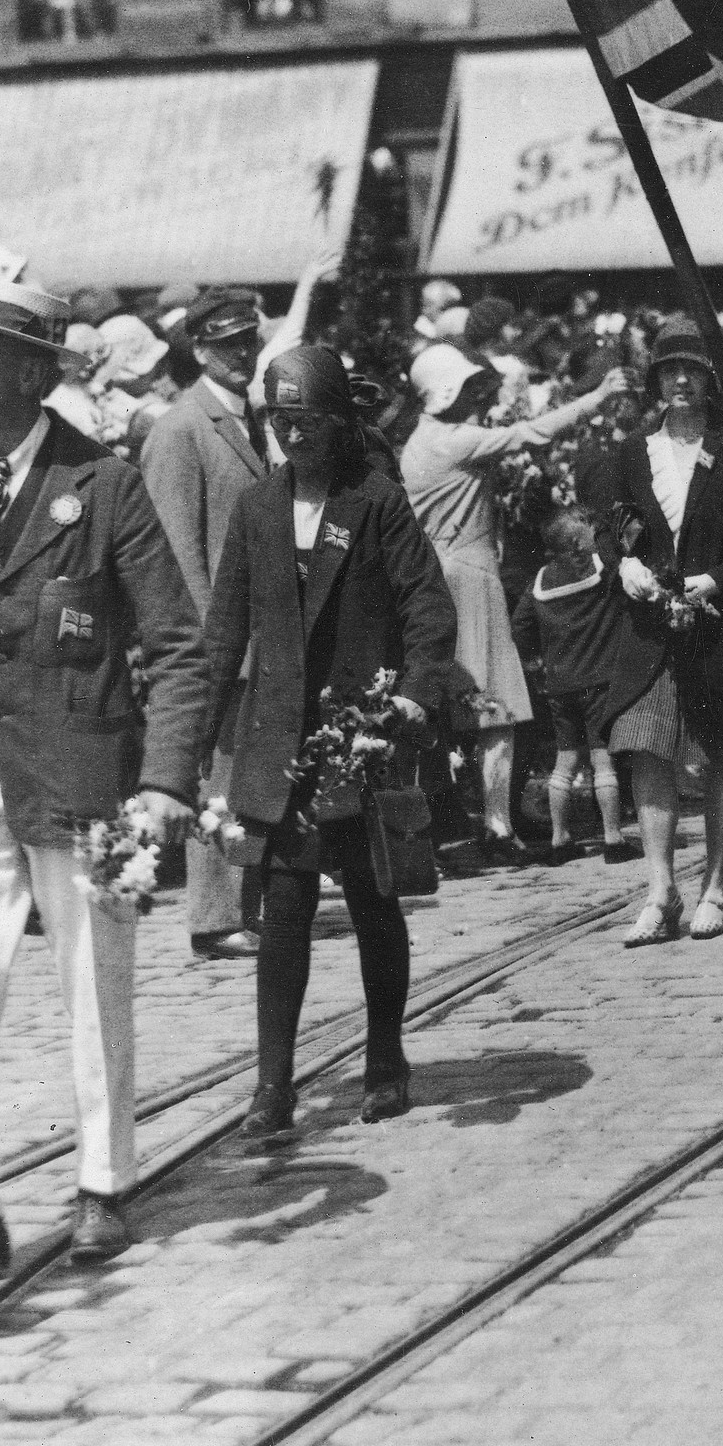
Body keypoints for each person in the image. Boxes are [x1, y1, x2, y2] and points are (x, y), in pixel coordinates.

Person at [0, 275, 209, 1283]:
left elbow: (178, 646)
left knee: (92, 986)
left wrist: (162, 782)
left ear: (32, 372)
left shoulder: (104, 485)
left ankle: (102, 1185)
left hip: (85, 780)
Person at [195, 343, 464, 1141]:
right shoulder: (255, 509)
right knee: (284, 909)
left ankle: (386, 1058)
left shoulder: (375, 502)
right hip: (281, 741)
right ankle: (272, 1085)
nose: (293, 437)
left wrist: (415, 691)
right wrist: (185, 747)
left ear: (339, 423)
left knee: (376, 902)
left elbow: (427, 605)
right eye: (281, 422)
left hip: (361, 739)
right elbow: (223, 633)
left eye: (308, 421)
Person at [583, 318, 723, 945]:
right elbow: (609, 526)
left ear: (712, 380)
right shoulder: (632, 453)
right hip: (650, 629)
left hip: (714, 623)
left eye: (693, 370)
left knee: (720, 749)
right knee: (645, 743)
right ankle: (660, 887)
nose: (681, 381)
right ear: (655, 381)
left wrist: (717, 580)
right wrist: (626, 562)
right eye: (670, 371)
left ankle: (716, 884)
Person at [399, 339, 617, 871]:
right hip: (471, 578)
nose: (479, 395)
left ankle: (453, 827)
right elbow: (532, 433)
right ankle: (498, 826)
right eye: (470, 387)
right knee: (497, 707)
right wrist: (597, 397)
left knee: (454, 709)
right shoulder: (454, 440)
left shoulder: (421, 440)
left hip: (441, 576)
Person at [135, 288, 272, 962]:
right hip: (217, 637)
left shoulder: (251, 421)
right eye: (226, 345)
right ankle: (214, 916)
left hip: (260, 630)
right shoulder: (180, 429)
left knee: (246, 777)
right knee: (216, 778)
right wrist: (199, 645)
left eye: (248, 341)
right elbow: (173, 547)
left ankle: (243, 905)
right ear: (198, 349)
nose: (241, 355)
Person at [518, 503, 660, 858]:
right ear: (580, 545)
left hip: (559, 685)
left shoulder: (539, 581)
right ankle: (613, 838)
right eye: (588, 531)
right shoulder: (600, 570)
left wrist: (541, 654)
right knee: (602, 761)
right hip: (598, 682)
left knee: (564, 762)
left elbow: (520, 626)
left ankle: (559, 839)